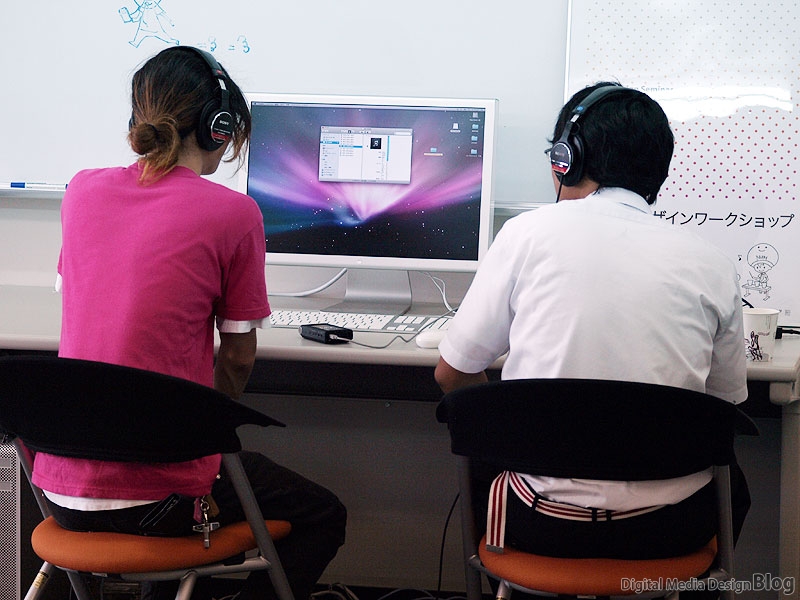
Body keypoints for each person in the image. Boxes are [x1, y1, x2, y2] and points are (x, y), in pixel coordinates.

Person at [32, 46, 346, 600]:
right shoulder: (233, 213)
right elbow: (238, 357)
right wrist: (205, 424)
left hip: (61, 498)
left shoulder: (81, 192)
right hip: (161, 502)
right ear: (218, 127)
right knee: (321, 514)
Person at [434, 82, 750, 561]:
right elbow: (723, 405)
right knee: (734, 483)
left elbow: (451, 374)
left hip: (542, 525)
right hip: (668, 532)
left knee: (484, 456)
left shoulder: (525, 235)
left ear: (567, 159)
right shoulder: (714, 263)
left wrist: (510, 432)